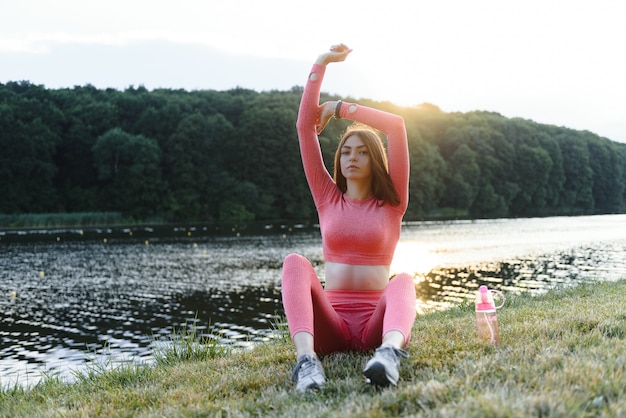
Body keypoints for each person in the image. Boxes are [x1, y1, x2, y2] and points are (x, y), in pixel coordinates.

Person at [281, 44, 417, 392]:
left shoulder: (393, 203)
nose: (351, 158)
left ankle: (389, 356)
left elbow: (396, 126)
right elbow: (303, 127)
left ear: (376, 161)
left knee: (403, 281)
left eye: (361, 152)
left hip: (376, 326)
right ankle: (307, 363)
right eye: (345, 151)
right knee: (295, 262)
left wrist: (339, 108)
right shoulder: (327, 198)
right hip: (333, 327)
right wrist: (320, 64)